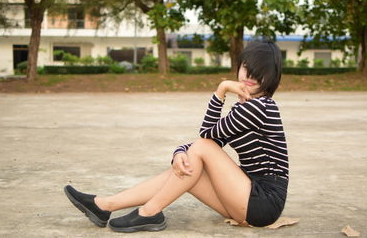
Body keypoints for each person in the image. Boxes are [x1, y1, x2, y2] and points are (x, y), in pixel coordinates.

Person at [64, 40, 289, 233]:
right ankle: (105, 205)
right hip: (245, 198)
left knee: (199, 149)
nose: (249, 75)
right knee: (187, 168)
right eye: (246, 67)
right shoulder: (244, 107)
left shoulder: (261, 106)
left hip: (263, 201)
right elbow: (213, 141)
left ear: (271, 77)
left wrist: (220, 90)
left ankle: (149, 212)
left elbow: (205, 137)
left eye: (259, 71)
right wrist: (180, 153)